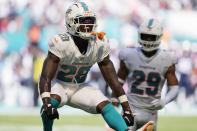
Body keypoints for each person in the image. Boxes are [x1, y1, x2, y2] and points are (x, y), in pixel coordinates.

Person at [38, 2, 134, 131]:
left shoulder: (99, 44)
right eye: (83, 21)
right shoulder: (61, 43)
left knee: (106, 105)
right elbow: (45, 76)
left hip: (79, 86)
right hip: (58, 85)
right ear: (71, 22)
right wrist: (46, 104)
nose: (88, 25)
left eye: (90, 21)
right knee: (52, 101)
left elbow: (113, 80)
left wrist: (127, 108)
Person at [112, 18, 179, 131]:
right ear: (139, 35)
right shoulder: (129, 54)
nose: (148, 40)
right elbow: (119, 82)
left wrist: (164, 101)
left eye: (151, 37)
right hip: (130, 108)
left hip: (151, 112)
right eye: (145, 36)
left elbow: (174, 89)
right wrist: (114, 102)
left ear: (158, 37)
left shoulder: (167, 58)